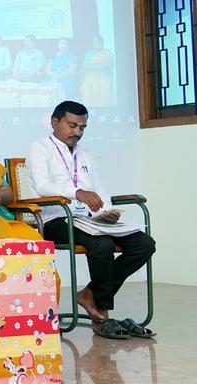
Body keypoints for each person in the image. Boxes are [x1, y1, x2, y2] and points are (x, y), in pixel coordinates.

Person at [27, 101, 155, 339]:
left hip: (90, 220)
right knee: (102, 244)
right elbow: (43, 186)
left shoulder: (85, 154)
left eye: (82, 127)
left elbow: (101, 190)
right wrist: (77, 193)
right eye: (72, 125)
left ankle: (90, 294)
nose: (77, 132)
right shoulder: (40, 148)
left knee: (144, 244)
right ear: (55, 122)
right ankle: (102, 313)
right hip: (57, 218)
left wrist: (107, 211)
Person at [79, 35, 114, 106]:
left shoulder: (107, 53)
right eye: (94, 42)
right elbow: (85, 66)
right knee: (88, 87)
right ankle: (90, 107)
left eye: (98, 42)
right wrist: (99, 65)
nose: (96, 44)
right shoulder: (89, 53)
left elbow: (110, 65)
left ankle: (103, 107)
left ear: (102, 44)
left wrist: (93, 66)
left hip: (104, 75)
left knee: (103, 87)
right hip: (91, 75)